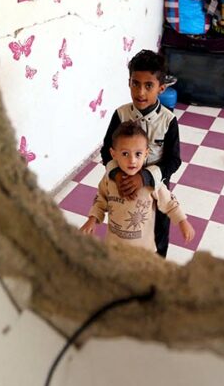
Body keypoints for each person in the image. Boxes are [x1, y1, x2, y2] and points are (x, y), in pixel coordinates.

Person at [99, 49, 183, 257]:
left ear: (161, 88)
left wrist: (144, 177)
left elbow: (174, 161)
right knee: (124, 229)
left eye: (149, 86)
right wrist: (118, 175)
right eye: (135, 83)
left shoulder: (168, 120)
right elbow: (106, 152)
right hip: (123, 187)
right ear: (129, 82)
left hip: (156, 190)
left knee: (158, 235)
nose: (141, 92)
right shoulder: (120, 114)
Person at [81, 121, 194, 252]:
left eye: (138, 154)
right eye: (125, 154)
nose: (132, 160)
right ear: (113, 154)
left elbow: (170, 203)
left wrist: (182, 222)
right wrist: (92, 219)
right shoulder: (109, 180)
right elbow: (100, 201)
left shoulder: (151, 184)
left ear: (146, 153)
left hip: (143, 251)